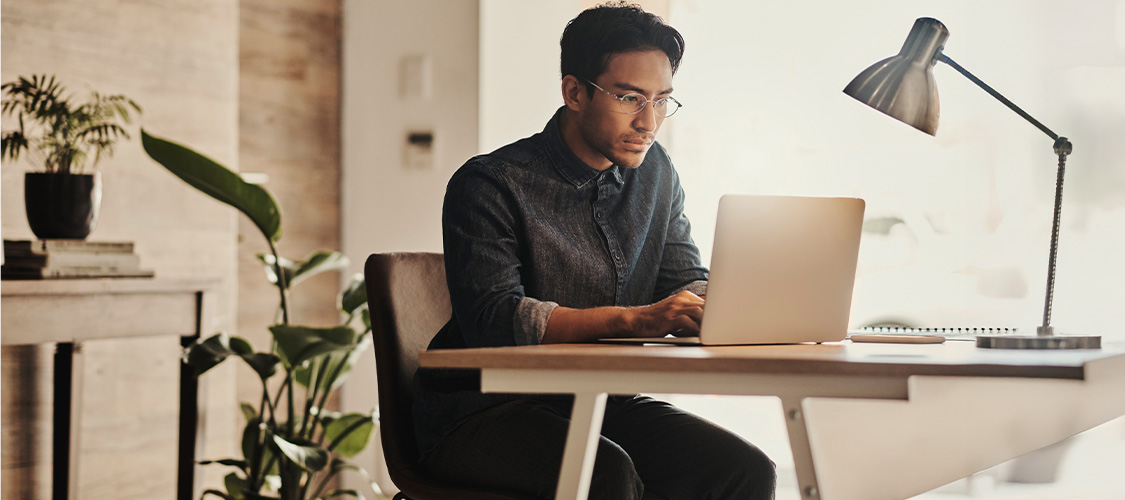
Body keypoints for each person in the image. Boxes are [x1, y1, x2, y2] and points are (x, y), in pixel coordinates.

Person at [412, 3, 777, 499]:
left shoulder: (656, 172)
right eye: (630, 97)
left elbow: (682, 277)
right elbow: (496, 320)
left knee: (742, 469)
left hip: (600, 400)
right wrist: (634, 320)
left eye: (662, 100)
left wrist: (738, 304)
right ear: (574, 92)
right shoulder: (490, 183)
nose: (650, 121)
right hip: (482, 410)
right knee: (603, 475)